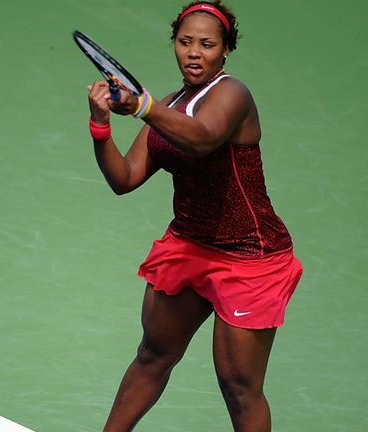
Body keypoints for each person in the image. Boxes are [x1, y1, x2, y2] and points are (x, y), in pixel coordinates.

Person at [85, 2, 304, 431]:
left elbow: (202, 139)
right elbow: (125, 178)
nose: (194, 53)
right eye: (186, 42)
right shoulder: (169, 105)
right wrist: (100, 126)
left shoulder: (232, 94)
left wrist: (143, 106)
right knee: (153, 355)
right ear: (174, 45)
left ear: (225, 51)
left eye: (207, 44)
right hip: (189, 247)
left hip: (249, 257)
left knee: (239, 386)